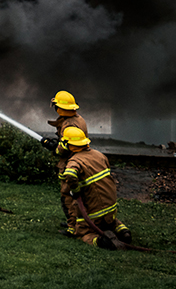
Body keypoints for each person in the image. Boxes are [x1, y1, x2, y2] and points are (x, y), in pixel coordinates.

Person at [58, 126, 132, 249]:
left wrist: (75, 191)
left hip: (93, 214)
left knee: (83, 233)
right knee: (111, 222)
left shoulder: (75, 161)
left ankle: (102, 242)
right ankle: (123, 232)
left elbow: (70, 174)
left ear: (69, 144)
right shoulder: (99, 155)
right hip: (110, 208)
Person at [41, 90, 87, 226]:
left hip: (70, 162)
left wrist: (52, 147)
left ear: (60, 108)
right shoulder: (78, 119)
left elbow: (63, 150)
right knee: (76, 195)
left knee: (68, 194)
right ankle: (76, 222)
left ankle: (73, 225)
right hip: (79, 159)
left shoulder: (68, 125)